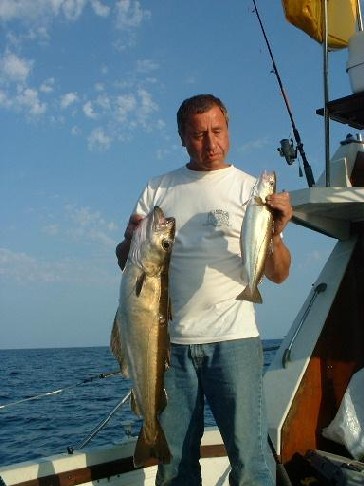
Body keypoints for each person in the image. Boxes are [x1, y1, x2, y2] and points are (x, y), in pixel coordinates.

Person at [116, 94, 292, 485]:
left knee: (250, 460)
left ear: (229, 130)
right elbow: (125, 260)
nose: (210, 143)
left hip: (235, 342)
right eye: (198, 135)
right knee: (175, 464)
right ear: (182, 137)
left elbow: (278, 274)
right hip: (168, 346)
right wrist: (129, 241)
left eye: (217, 131)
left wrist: (276, 235)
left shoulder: (251, 189)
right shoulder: (159, 188)